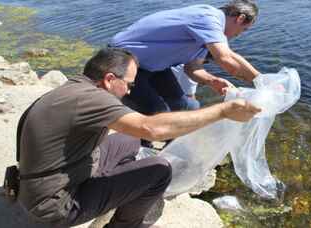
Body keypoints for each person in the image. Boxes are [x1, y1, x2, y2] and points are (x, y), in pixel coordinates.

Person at [17, 48, 261, 228]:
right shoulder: (93, 99)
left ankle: (119, 187)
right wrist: (222, 111)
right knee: (159, 170)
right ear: (110, 79)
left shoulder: (73, 88)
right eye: (129, 84)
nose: (131, 91)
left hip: (47, 182)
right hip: (56, 206)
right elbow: (151, 128)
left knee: (130, 140)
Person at [110, 0, 261, 116]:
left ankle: (174, 144)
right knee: (157, 111)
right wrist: (260, 81)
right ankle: (144, 144)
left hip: (153, 66)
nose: (239, 34)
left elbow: (192, 68)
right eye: (244, 30)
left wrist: (212, 81)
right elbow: (226, 58)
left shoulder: (210, 36)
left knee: (185, 106)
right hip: (122, 59)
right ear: (240, 19)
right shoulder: (209, 18)